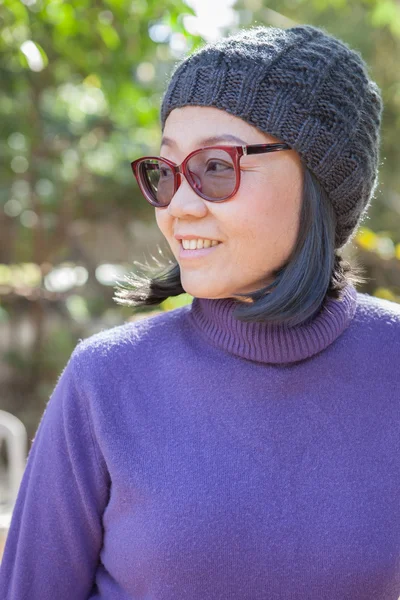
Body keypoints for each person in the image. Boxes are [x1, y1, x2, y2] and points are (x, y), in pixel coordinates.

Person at [1, 23, 399, 600]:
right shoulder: (107, 381)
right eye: (167, 172)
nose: (178, 208)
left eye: (216, 166)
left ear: (320, 182)